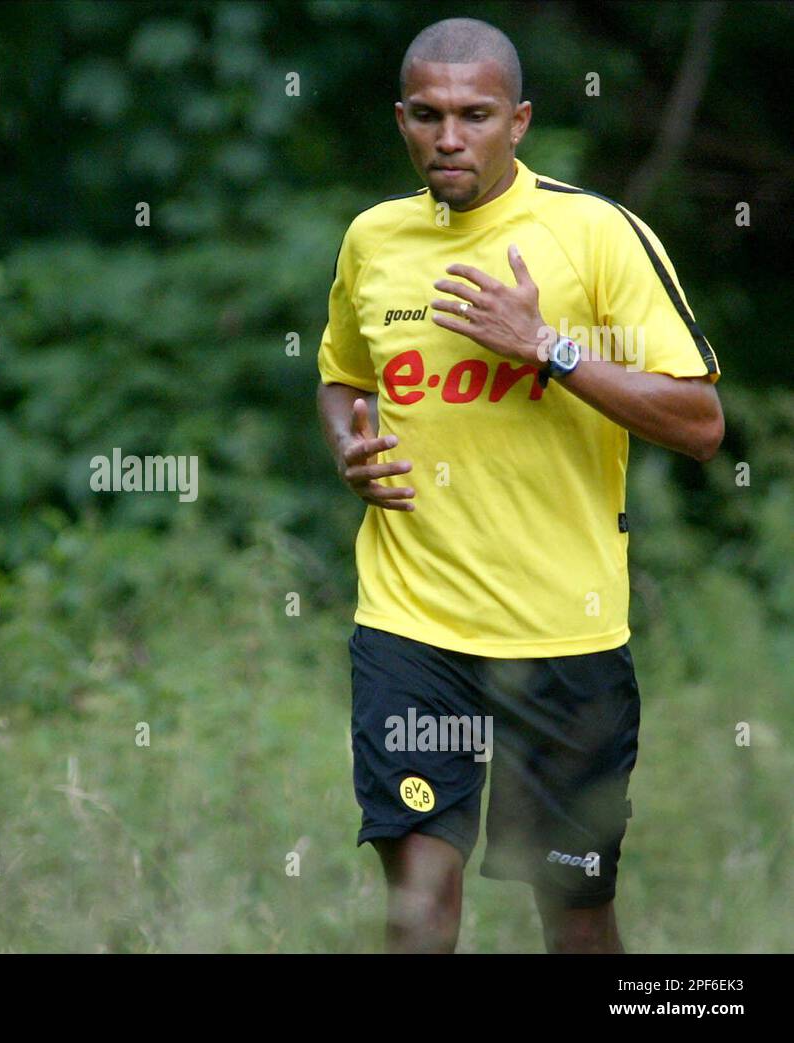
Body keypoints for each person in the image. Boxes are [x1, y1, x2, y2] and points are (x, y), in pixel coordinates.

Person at [316, 17, 724, 953]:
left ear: (521, 121)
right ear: (402, 120)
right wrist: (348, 445)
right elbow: (342, 375)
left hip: (564, 631)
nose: (449, 137)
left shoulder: (595, 235)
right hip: (411, 626)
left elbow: (700, 424)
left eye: (475, 115)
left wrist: (549, 348)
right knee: (419, 908)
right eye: (428, 115)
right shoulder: (373, 240)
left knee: (574, 918)